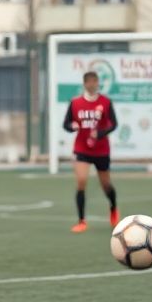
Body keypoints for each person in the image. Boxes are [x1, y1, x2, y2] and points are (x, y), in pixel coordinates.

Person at [62, 70, 119, 233]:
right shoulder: (75, 103)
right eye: (90, 82)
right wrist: (72, 127)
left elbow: (113, 124)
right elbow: (66, 124)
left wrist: (100, 134)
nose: (93, 85)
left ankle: (113, 209)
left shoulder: (106, 102)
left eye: (96, 82)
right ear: (85, 84)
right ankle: (81, 221)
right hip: (82, 148)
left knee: (106, 184)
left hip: (101, 150)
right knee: (81, 181)